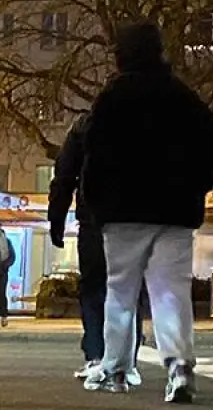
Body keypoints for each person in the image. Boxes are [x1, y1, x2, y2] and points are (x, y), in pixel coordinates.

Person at [79, 22, 213, 401]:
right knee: (170, 290)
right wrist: (195, 189)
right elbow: (211, 151)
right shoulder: (185, 99)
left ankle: (116, 367)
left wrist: (94, 202)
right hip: (174, 210)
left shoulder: (112, 98)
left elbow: (93, 153)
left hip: (122, 210)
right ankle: (179, 368)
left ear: (122, 54)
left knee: (120, 291)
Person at [48, 115, 144, 387]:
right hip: (135, 218)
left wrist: (57, 215)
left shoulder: (86, 124)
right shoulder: (150, 119)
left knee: (94, 287)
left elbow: (65, 173)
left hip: (94, 216)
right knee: (129, 289)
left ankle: (95, 355)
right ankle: (127, 360)